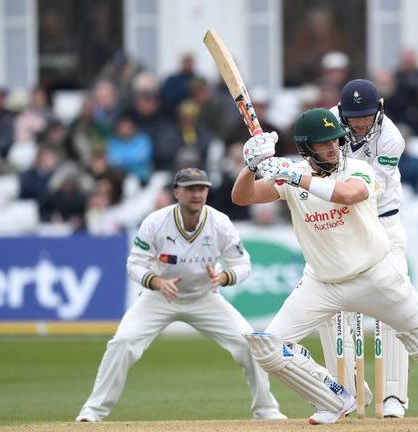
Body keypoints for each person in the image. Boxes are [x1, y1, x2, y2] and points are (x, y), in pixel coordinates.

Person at [231, 108, 418, 425]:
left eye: (336, 141)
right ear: (305, 147)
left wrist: (294, 175)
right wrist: (250, 167)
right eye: (323, 143)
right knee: (268, 348)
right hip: (322, 284)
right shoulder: (289, 177)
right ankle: (334, 400)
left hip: (376, 276)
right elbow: (242, 198)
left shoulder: (357, 168)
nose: (333, 148)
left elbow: (349, 194)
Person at [76, 168, 286, 422]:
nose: (197, 194)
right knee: (123, 341)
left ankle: (266, 411)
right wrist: (156, 282)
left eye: (202, 188)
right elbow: (135, 264)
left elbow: (243, 265)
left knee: (249, 344)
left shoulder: (219, 222)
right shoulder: (155, 222)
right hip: (160, 297)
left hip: (205, 296)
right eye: (190, 189)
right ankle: (92, 413)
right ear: (177, 192)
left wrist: (224, 277)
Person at [316, 79, 411, 418]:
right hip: (340, 223)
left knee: (396, 303)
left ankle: (394, 397)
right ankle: (349, 391)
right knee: (325, 309)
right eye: (352, 117)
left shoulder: (391, 138)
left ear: (379, 110)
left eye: (365, 117)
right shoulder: (327, 122)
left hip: (382, 220)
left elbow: (366, 188)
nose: (358, 124)